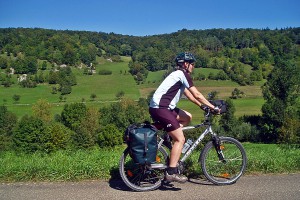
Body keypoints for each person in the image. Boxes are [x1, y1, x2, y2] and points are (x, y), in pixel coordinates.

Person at [149, 52, 220, 183]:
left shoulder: (179, 76)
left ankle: (169, 136)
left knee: (187, 117)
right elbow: (197, 94)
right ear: (185, 64)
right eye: (192, 64)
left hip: (163, 107)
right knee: (181, 139)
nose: (193, 67)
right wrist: (213, 107)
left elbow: (189, 95)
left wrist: (201, 106)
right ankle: (171, 172)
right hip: (161, 108)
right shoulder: (182, 74)